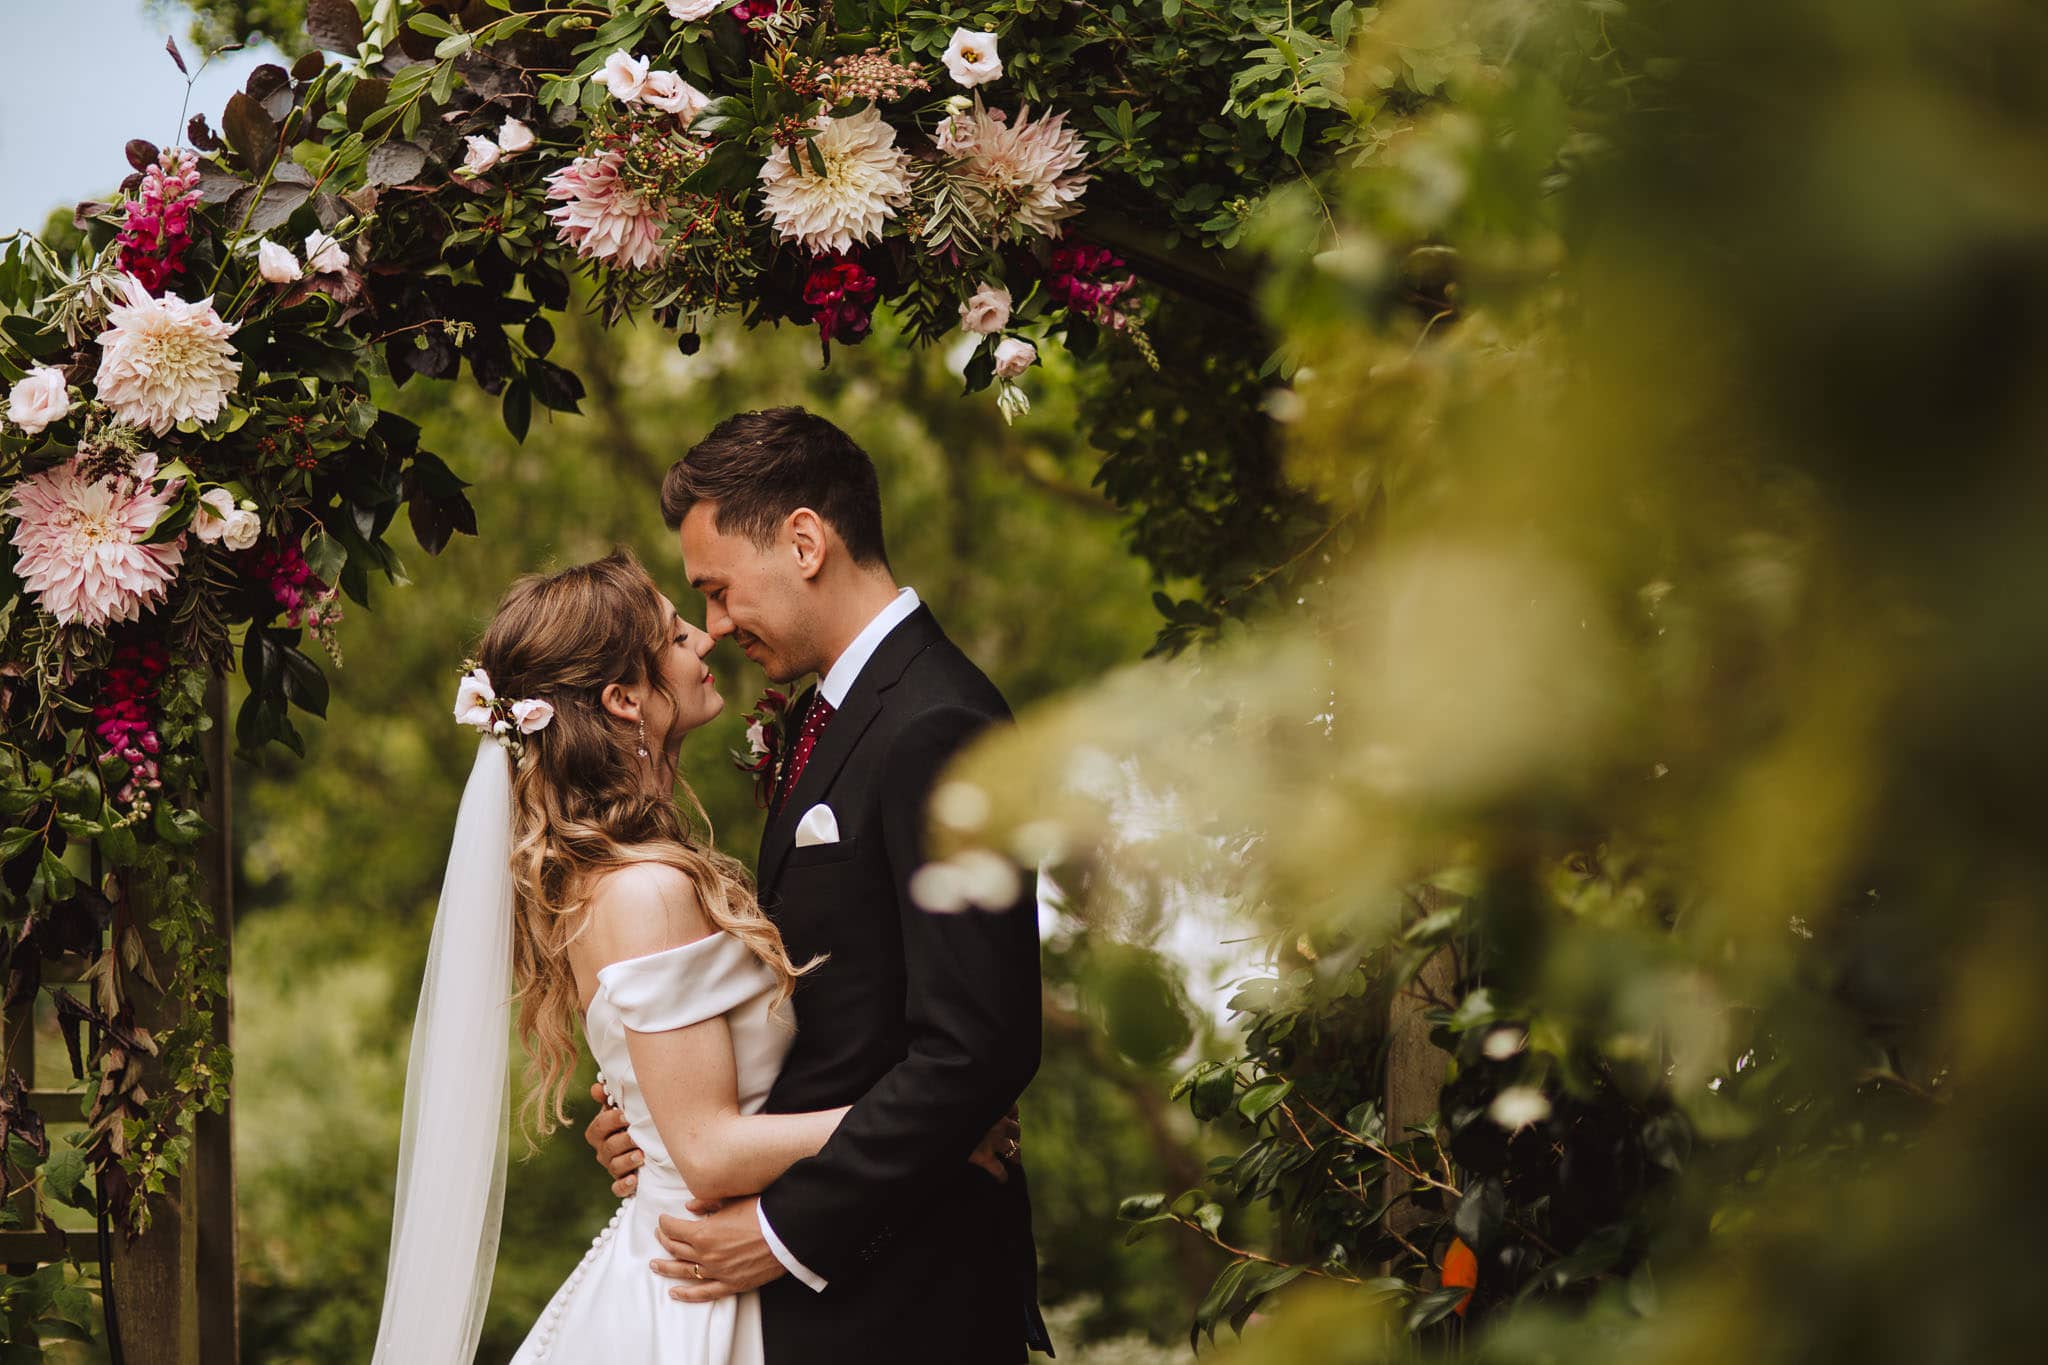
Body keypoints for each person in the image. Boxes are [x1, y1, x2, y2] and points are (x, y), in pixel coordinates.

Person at [365, 551, 1021, 1365]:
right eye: (677, 631)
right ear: (623, 697)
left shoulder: (621, 871)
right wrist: (940, 1130)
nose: (704, 640)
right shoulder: (645, 891)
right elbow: (707, 1150)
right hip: (691, 1285)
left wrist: (643, 1122)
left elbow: (686, 1107)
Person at [584, 407, 1052, 1363]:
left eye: (716, 591)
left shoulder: (937, 720)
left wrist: (782, 1230)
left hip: (908, 1296)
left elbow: (975, 1046)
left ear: (805, 541)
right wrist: (659, 1120)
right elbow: (824, 1011)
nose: (713, 627)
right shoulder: (831, 716)